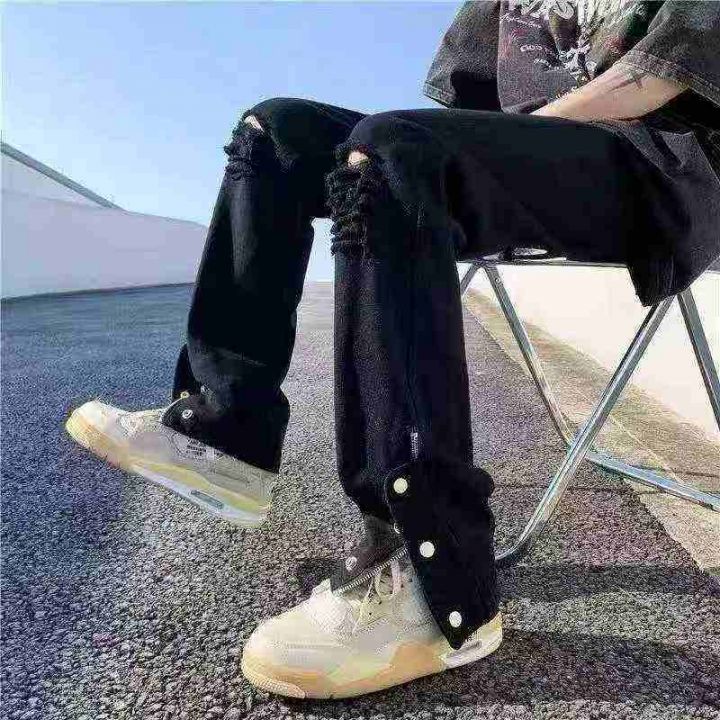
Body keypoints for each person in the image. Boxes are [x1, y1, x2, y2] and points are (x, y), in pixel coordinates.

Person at [66, 0, 720, 700]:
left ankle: (441, 581)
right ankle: (228, 431)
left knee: (394, 151)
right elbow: (468, 101)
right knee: (278, 132)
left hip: (659, 164)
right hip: (536, 161)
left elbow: (660, 77)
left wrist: (438, 150)